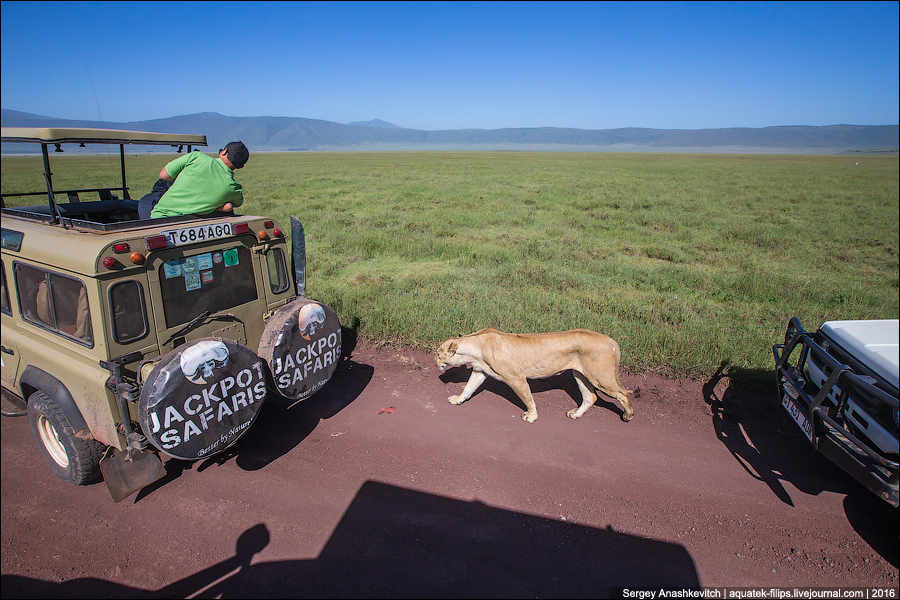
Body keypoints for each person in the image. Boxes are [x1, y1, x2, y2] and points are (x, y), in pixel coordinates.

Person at [144, 141, 249, 218]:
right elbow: (229, 207)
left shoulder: (196, 157)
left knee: (145, 201)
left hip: (162, 218)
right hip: (194, 222)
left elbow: (163, 176)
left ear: (224, 151)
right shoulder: (234, 189)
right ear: (241, 167)